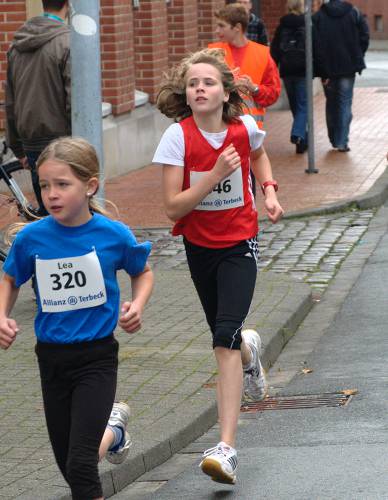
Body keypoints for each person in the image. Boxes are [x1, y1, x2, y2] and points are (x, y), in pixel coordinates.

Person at [153, 48, 283, 485]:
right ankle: (250, 352)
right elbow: (173, 208)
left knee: (222, 337)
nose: (200, 88)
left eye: (208, 82)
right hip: (198, 246)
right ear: (186, 95)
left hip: (239, 242)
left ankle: (226, 447)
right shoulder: (177, 138)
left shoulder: (244, 127)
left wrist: (268, 190)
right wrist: (210, 176)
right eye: (193, 84)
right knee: (226, 337)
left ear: (225, 91)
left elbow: (259, 155)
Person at [0, 137, 154, 500]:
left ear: (90, 186)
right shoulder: (33, 239)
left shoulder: (112, 235)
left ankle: (108, 432)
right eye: (45, 185)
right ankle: (113, 432)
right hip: (51, 359)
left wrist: (137, 304)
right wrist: (2, 315)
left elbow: (142, 271)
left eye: (62, 184)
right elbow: (10, 278)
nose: (51, 194)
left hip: (97, 358)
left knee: (80, 466)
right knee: (68, 463)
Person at [5, 0, 71, 215]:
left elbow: (11, 101)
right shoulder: (68, 42)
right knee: (72, 214)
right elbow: (74, 101)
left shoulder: (16, 46)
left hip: (31, 143)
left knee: (47, 212)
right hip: (65, 143)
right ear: (69, 4)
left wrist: (18, 147)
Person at [209, 3, 281, 195]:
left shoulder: (262, 54)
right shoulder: (212, 53)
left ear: (237, 28)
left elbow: (273, 93)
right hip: (216, 133)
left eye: (221, 26)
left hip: (248, 136)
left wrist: (255, 89)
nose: (217, 31)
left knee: (247, 188)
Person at [312, 0, 369, 152]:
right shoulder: (353, 12)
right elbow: (365, 35)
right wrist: (358, 54)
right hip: (348, 67)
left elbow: (314, 45)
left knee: (331, 103)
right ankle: (342, 141)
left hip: (327, 69)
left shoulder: (318, 16)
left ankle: (334, 138)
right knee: (344, 103)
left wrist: (321, 69)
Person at [271, 0, 308, 154]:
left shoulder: (282, 25)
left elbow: (275, 49)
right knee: (303, 106)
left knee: (296, 106)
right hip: (303, 70)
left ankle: (302, 141)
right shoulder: (307, 24)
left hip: (287, 71)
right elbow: (314, 46)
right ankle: (298, 134)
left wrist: (275, 67)